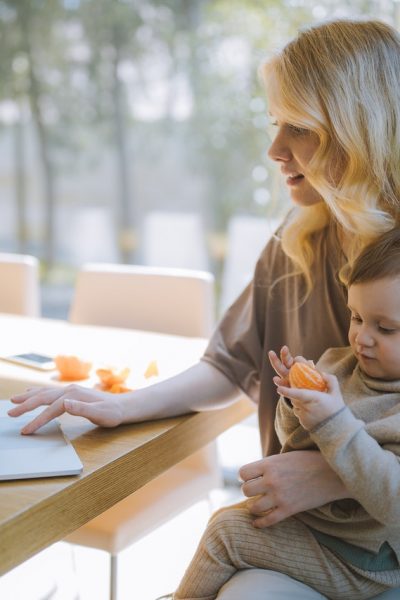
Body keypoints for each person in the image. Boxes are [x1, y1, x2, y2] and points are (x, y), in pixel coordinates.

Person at [7, 17, 400, 597]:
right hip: (300, 532)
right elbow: (230, 365)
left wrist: (335, 476)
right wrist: (125, 405)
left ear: (355, 129)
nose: (274, 149)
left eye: (299, 128)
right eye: (274, 125)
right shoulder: (296, 242)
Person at [168, 227, 400, 600]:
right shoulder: (338, 365)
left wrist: (334, 421)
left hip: (362, 561)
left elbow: (393, 498)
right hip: (313, 528)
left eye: (385, 328)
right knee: (226, 521)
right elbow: (293, 444)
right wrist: (295, 404)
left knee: (225, 534)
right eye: (356, 318)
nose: (362, 338)